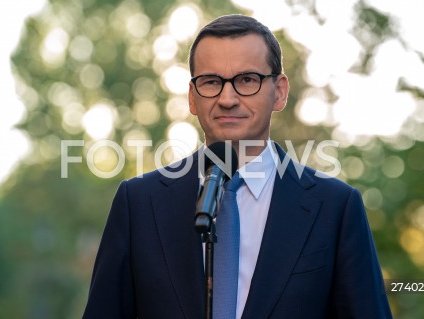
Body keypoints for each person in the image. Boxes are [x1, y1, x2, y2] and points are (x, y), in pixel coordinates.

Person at [83, 14, 392, 318]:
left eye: (247, 80)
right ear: (192, 97)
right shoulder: (138, 203)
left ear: (280, 91)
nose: (227, 98)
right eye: (211, 81)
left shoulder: (335, 207)